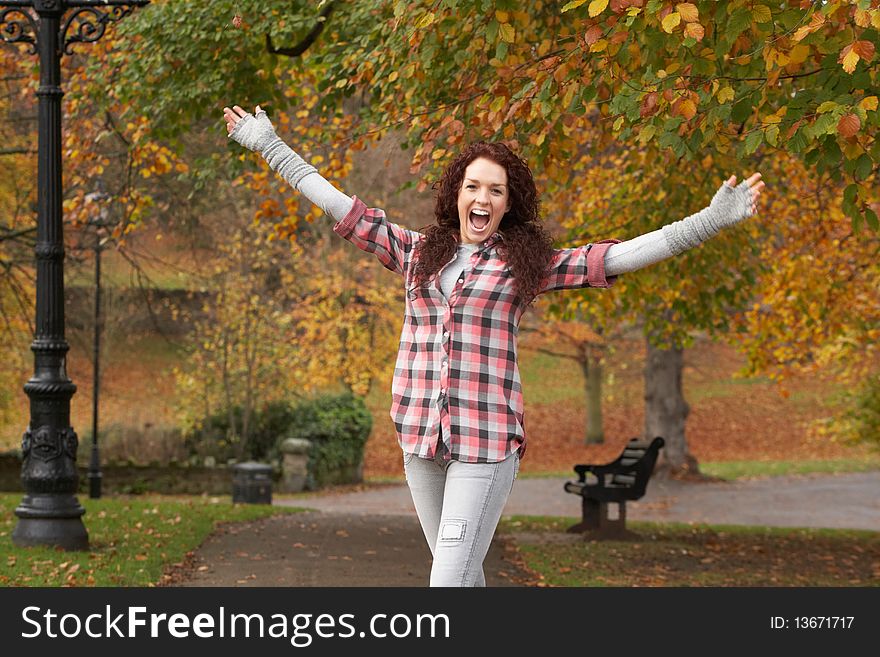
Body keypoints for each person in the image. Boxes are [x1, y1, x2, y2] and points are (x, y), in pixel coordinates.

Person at [222, 104, 765, 586]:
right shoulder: (415, 254)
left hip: (485, 446)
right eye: (473, 187)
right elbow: (340, 206)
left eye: (496, 190)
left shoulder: (522, 268)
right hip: (420, 443)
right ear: (456, 195)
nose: (483, 198)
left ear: (508, 204)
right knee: (462, 576)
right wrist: (270, 145)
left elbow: (615, 257)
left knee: (447, 583)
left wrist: (708, 221)